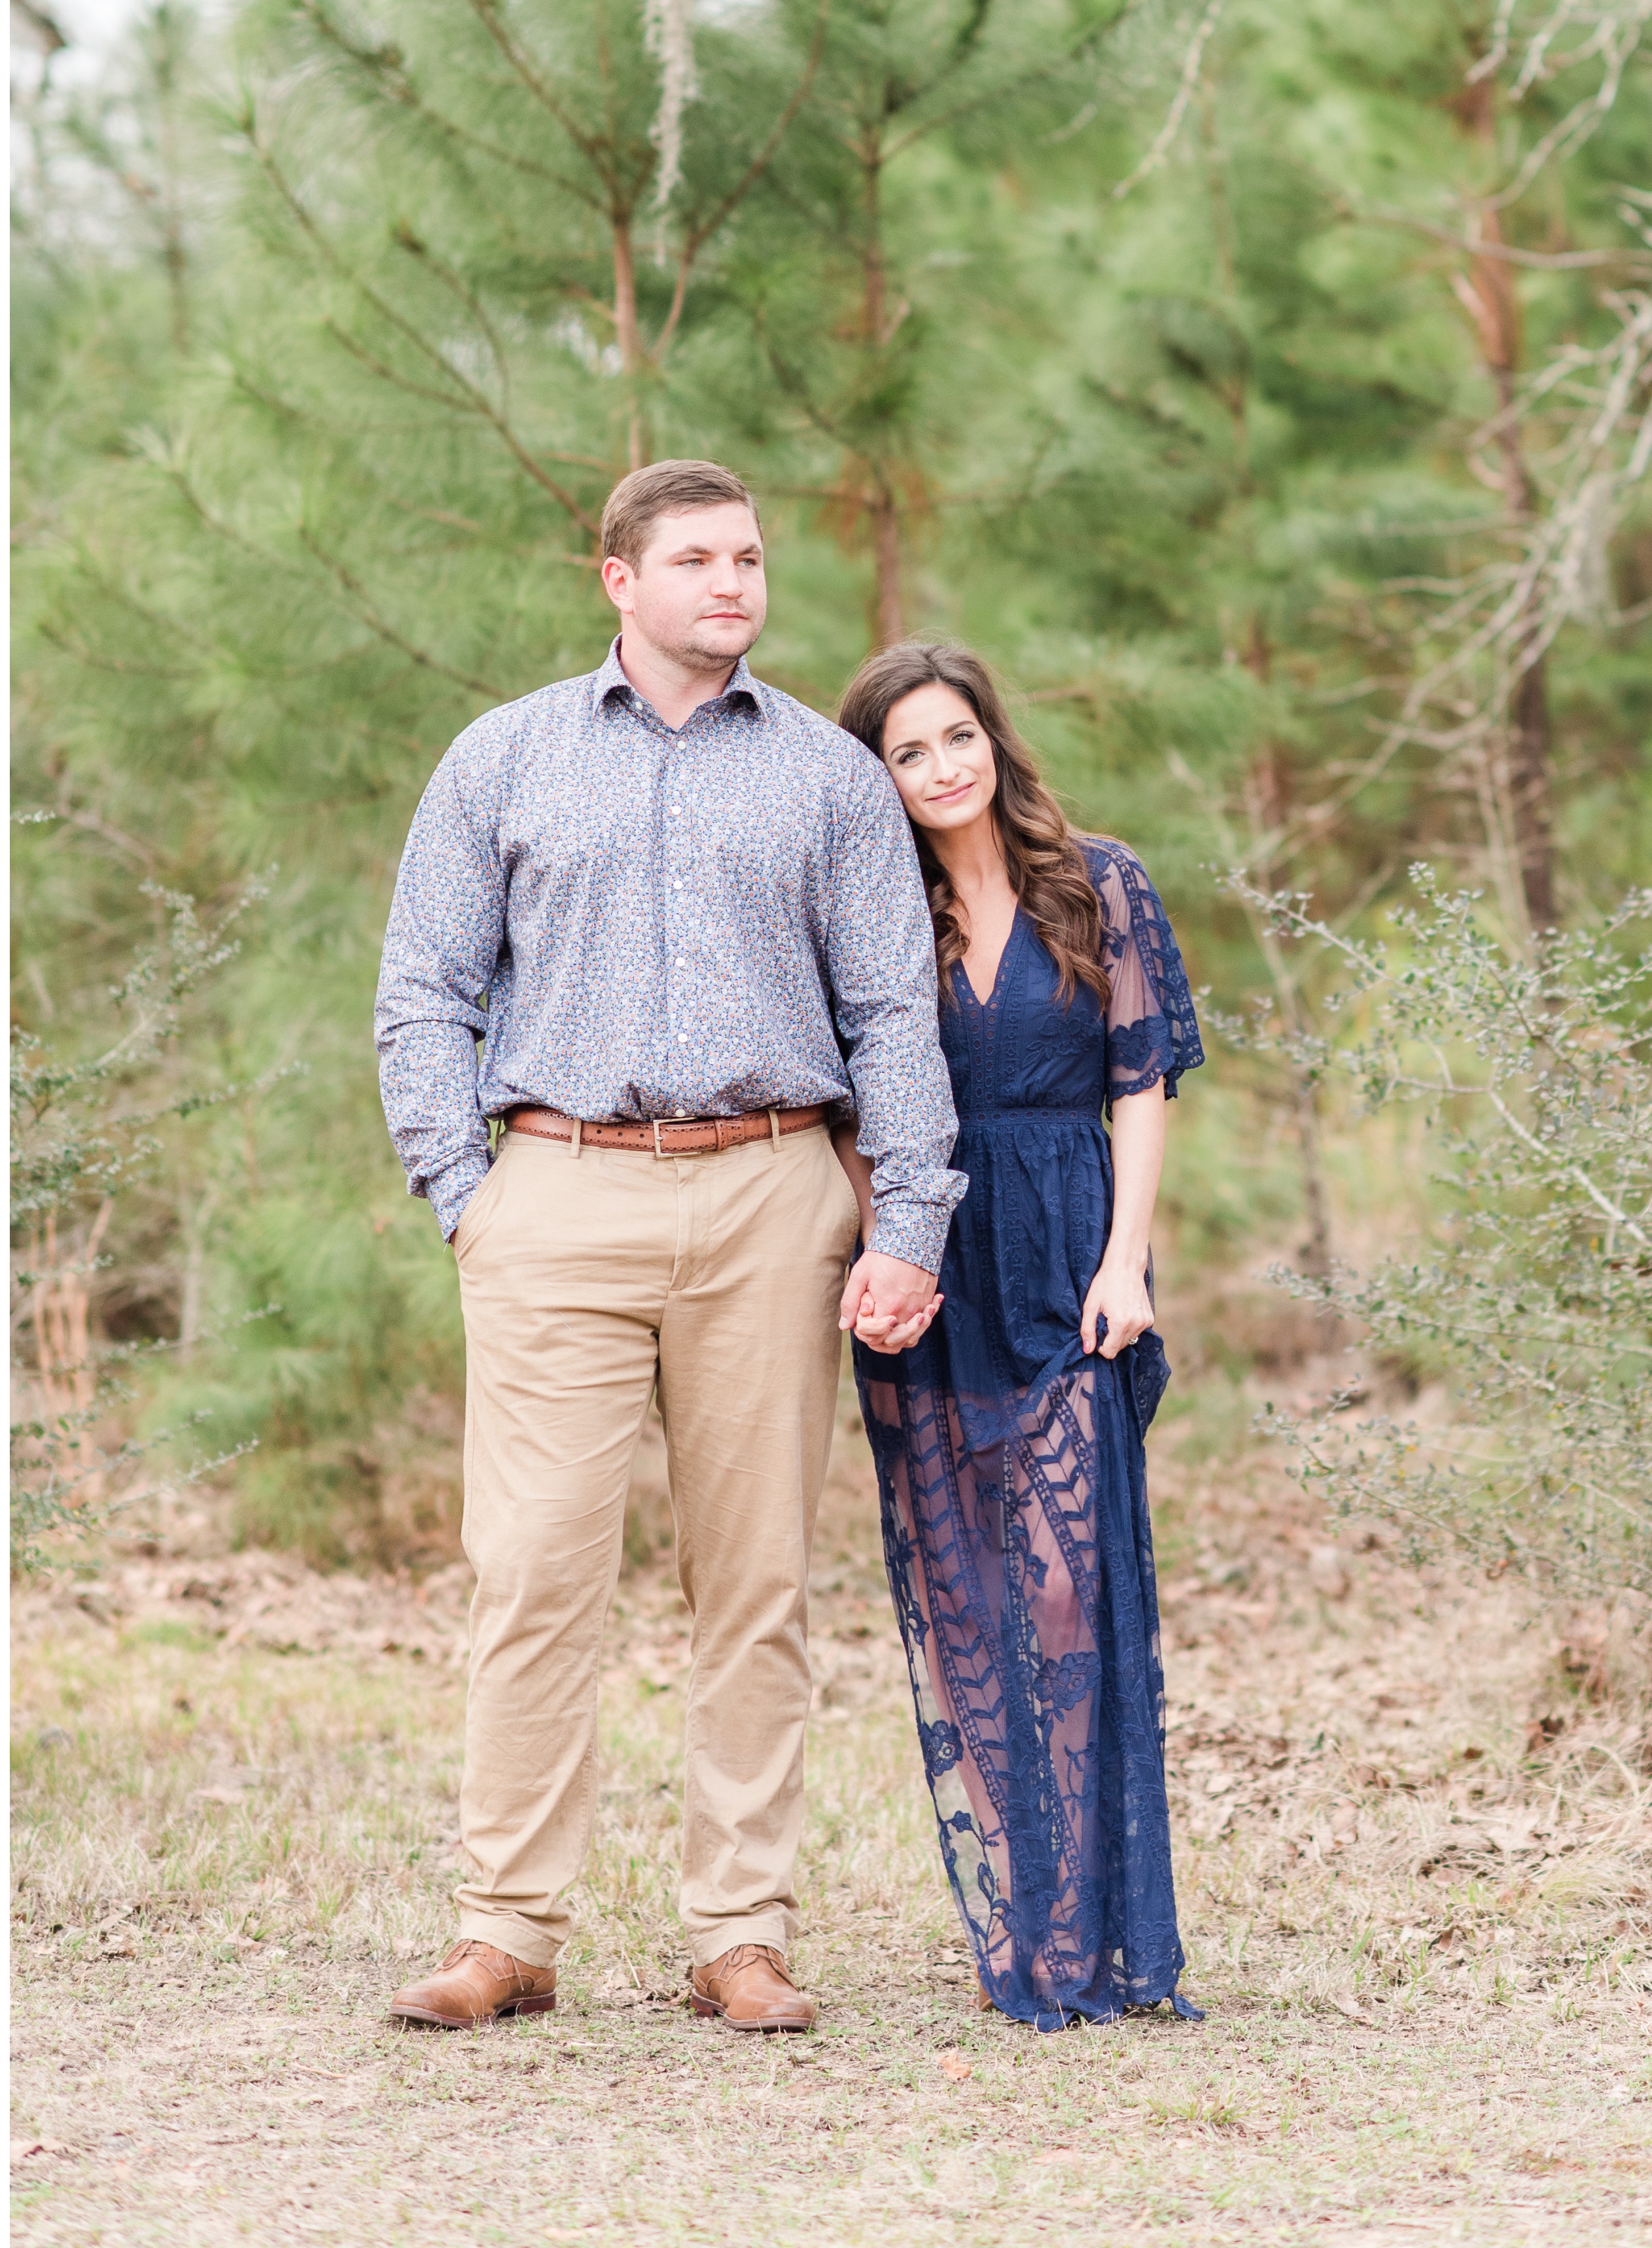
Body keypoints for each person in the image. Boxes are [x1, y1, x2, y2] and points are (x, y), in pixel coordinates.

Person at [373, 459, 958, 2035]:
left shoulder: (831, 778)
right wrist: (466, 1194)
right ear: (616, 578)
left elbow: (894, 1010)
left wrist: (906, 1217)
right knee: (535, 1568)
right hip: (554, 1191)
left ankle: (740, 1931)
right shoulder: (503, 759)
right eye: (694, 557)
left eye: (749, 557)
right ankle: (505, 1929)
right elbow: (426, 985)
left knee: (753, 1577)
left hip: (773, 1193)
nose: (732, 581)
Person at [835, 639, 1204, 2031]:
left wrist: (1128, 1262)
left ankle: (1095, 1921)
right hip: (934, 1265)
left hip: (1069, 1251)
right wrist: (885, 1254)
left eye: (956, 736)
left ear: (994, 736)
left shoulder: (1096, 881)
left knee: (1067, 1589)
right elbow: (851, 1109)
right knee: (970, 1605)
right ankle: (1028, 1927)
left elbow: (1144, 1081)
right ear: (879, 777)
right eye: (908, 752)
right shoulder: (875, 916)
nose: (941, 769)